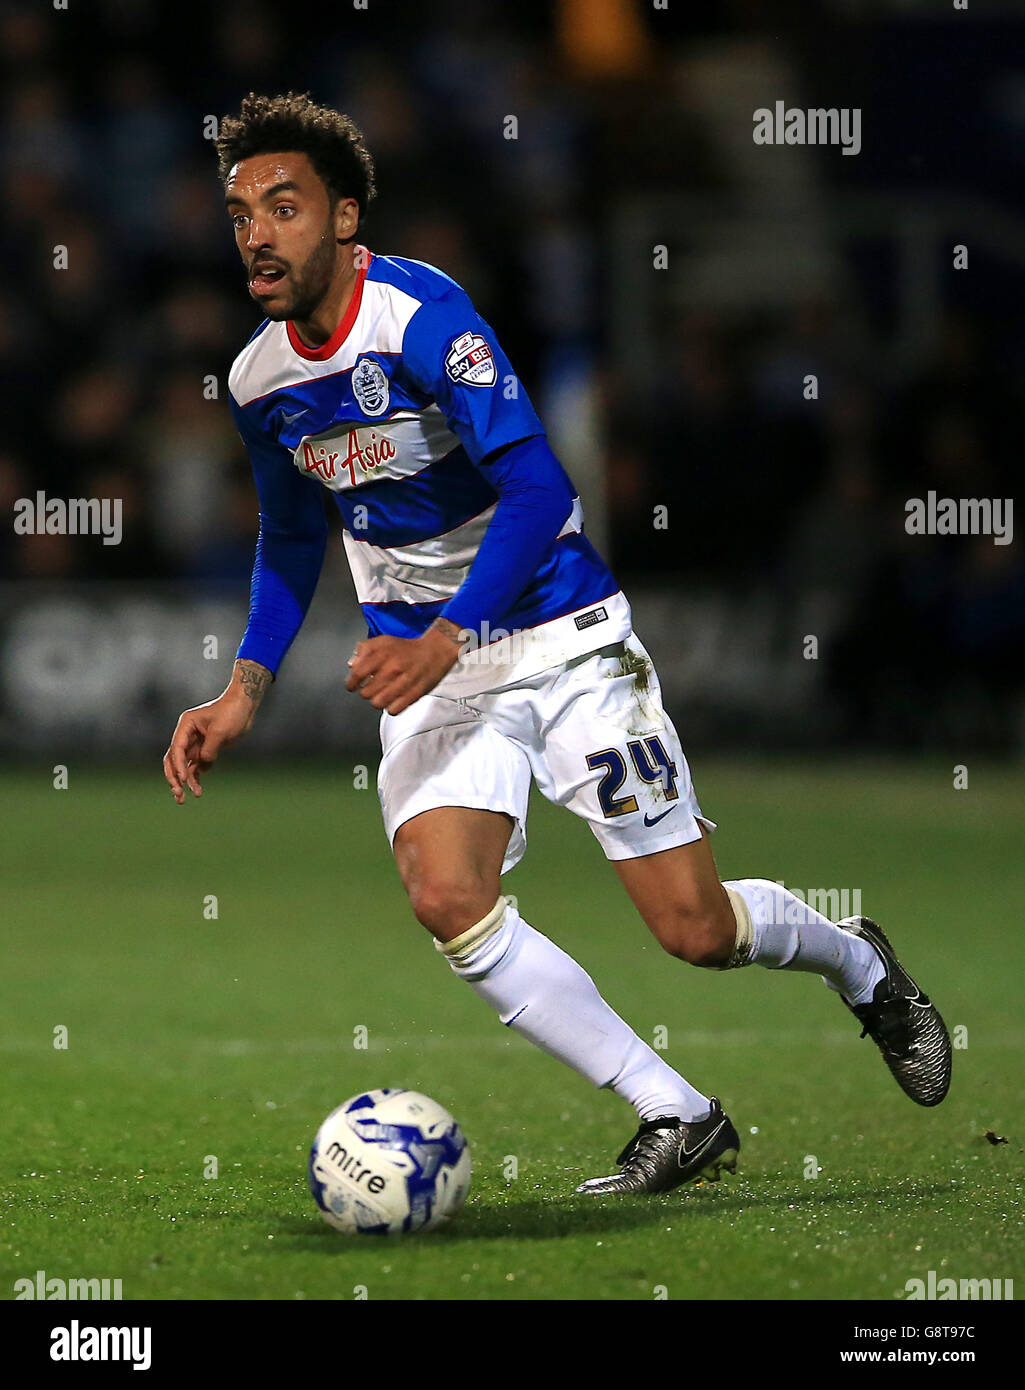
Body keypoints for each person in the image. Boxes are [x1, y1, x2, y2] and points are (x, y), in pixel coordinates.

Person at [163, 93, 951, 1197]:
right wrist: (244, 684)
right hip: (435, 665)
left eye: (283, 206)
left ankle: (855, 960)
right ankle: (672, 1109)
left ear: (344, 219)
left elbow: (539, 488)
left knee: (693, 928)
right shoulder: (259, 380)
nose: (255, 231)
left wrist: (448, 634)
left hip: (561, 637)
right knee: (445, 894)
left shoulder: (425, 318)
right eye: (241, 210)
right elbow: (292, 530)